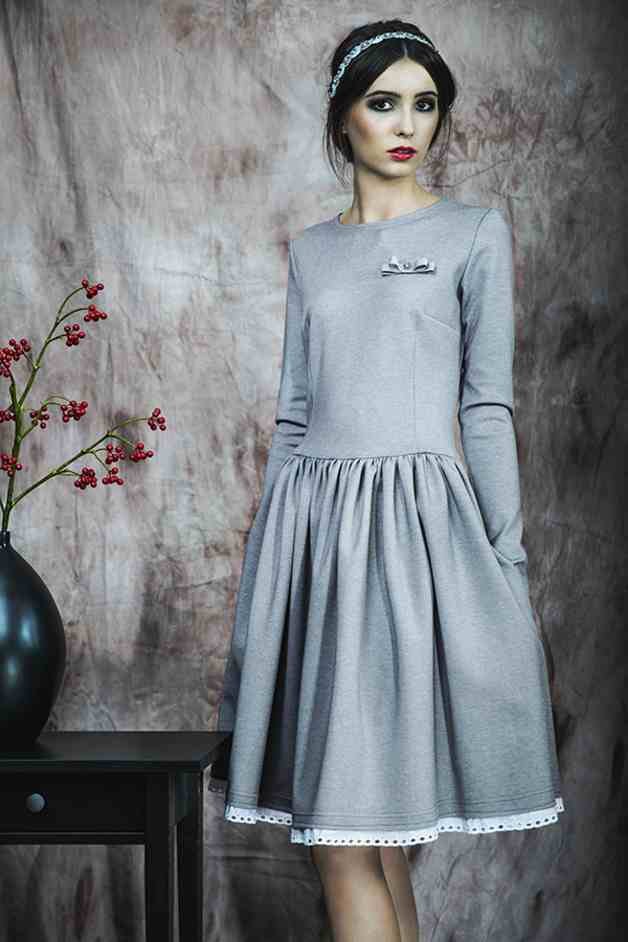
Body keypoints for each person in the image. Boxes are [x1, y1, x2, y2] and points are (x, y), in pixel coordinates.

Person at [209, 18, 565, 942]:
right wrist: (272, 566)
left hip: (415, 542)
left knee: (356, 841)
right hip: (316, 543)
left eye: (424, 104)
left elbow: (486, 408)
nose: (407, 124)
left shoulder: (473, 233)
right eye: (383, 103)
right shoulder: (310, 250)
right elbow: (294, 414)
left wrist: (505, 561)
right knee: (357, 840)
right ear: (343, 117)